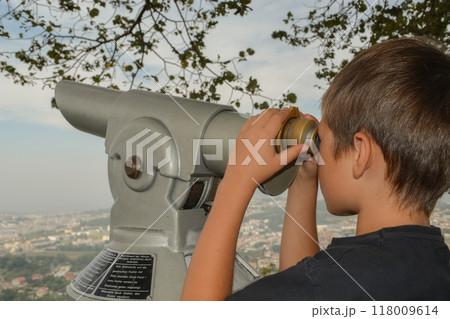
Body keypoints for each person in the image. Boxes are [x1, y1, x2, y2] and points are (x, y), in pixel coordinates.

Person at [181, 37, 450, 301]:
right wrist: (303, 181)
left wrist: (238, 179)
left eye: (322, 138)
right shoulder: (433, 267)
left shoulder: (328, 283)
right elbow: (302, 282)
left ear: (360, 152)